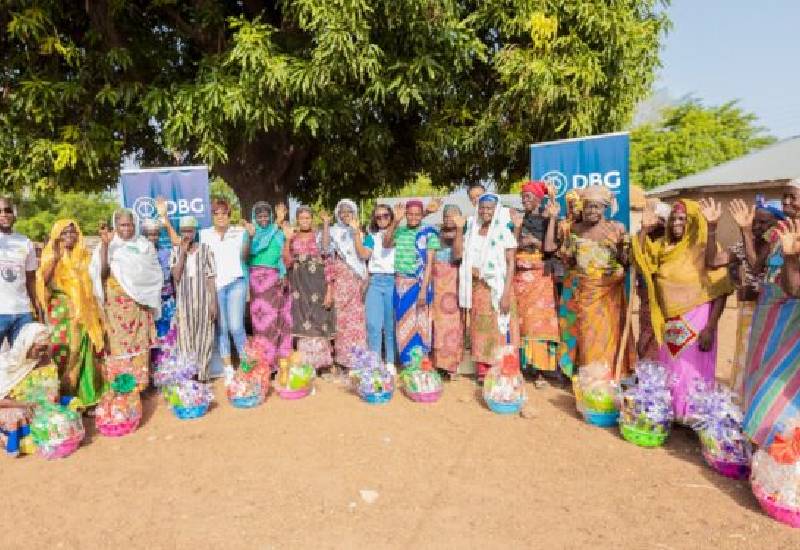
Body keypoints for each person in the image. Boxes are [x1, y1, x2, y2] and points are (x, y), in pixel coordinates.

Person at [633, 199, 733, 422]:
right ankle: (675, 414)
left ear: (693, 223)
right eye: (673, 219)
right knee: (673, 369)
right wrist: (644, 230)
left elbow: (720, 290)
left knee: (692, 372)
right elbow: (642, 260)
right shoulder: (665, 248)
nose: (676, 223)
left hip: (698, 321)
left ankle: (694, 417)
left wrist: (710, 327)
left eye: (682, 219)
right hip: (670, 321)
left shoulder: (705, 248)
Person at [702, 197, 784, 399]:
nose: (757, 226)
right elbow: (712, 261)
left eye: (764, 223)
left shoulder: (776, 247)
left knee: (760, 363)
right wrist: (712, 227)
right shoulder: (745, 244)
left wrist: (745, 231)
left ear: (778, 224)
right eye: (755, 221)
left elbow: (756, 267)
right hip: (746, 313)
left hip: (768, 315)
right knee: (743, 361)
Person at [562, 186, 634, 377]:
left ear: (605, 208)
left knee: (610, 334)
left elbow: (626, 261)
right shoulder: (575, 230)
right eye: (588, 207)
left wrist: (621, 249)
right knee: (589, 336)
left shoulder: (617, 229)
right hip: (587, 293)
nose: (592, 211)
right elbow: (569, 261)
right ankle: (591, 377)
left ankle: (611, 376)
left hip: (611, 293)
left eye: (597, 207)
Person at [90, 208, 163, 391]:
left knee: (140, 344)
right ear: (116, 225)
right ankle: (123, 387)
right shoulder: (106, 245)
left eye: (129, 225)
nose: (126, 229)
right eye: (122, 225)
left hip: (139, 306)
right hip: (116, 308)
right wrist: (106, 246)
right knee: (119, 347)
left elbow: (153, 274)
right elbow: (102, 274)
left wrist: (142, 293)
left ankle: (139, 387)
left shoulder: (144, 245)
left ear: (135, 225)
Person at [743, 217, 800, 447]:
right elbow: (793, 288)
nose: (789, 203)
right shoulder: (779, 234)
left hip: (791, 320)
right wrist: (789, 255)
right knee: (766, 380)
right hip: (771, 314)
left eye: (793, 197)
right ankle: (768, 443)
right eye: (786, 197)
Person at [36, 220, 105, 405]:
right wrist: (56, 258)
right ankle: (65, 398)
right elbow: (42, 284)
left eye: (72, 232)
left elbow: (94, 286)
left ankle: (88, 399)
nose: (69, 236)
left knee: (86, 356)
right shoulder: (50, 255)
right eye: (64, 232)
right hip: (61, 315)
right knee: (63, 355)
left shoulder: (84, 256)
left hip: (84, 315)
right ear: (57, 235)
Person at [459, 193, 519, 381]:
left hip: (497, 287)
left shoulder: (503, 232)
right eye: (482, 207)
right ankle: (484, 370)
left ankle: (501, 368)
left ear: (497, 210)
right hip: (477, 288)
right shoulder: (472, 231)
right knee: (480, 329)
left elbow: (510, 264)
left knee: (498, 328)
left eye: (489, 208)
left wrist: (506, 294)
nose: (485, 211)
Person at [512, 181, 561, 387]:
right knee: (521, 324)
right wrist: (517, 229)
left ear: (539, 199)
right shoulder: (518, 218)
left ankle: (541, 370)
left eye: (529, 197)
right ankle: (524, 366)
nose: (525, 200)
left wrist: (550, 222)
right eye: (523, 197)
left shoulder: (546, 219)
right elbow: (511, 247)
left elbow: (549, 247)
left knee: (539, 324)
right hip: (520, 278)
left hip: (540, 279)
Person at [383, 200, 441, 367]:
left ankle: (421, 363)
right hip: (400, 285)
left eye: (417, 214)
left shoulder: (429, 233)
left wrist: (423, 291)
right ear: (406, 214)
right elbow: (386, 243)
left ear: (422, 215)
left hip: (419, 284)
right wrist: (396, 221)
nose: (414, 217)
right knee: (403, 325)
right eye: (410, 214)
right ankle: (408, 363)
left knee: (420, 324)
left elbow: (429, 264)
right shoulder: (400, 231)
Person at [200, 198, 248, 376]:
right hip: (215, 287)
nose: (220, 216)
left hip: (236, 283)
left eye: (224, 213)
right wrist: (166, 221)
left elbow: (246, 255)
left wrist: (249, 236)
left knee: (236, 327)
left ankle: (246, 366)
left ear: (229, 215)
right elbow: (182, 242)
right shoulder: (204, 234)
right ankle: (228, 368)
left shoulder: (239, 231)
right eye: (216, 213)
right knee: (222, 328)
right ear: (212, 216)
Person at [283, 206, 335, 370]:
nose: (305, 221)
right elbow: (287, 261)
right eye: (301, 218)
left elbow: (328, 261)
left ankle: (322, 364)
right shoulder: (293, 237)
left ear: (312, 219)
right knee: (302, 321)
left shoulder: (320, 235)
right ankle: (305, 363)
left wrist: (329, 290)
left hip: (318, 285)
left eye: (307, 218)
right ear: (297, 220)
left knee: (319, 320)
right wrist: (287, 240)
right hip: (299, 287)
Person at [169, 216, 218, 380]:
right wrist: (182, 252)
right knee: (185, 341)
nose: (187, 234)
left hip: (204, 303)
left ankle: (203, 377)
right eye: (184, 231)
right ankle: (188, 377)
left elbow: (211, 278)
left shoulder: (205, 250)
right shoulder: (175, 251)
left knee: (204, 340)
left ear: (195, 231)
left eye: (190, 231)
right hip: (184, 305)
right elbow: (176, 275)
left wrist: (214, 303)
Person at [322, 199, 368, 367]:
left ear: (354, 213)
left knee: (356, 319)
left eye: (349, 211)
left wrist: (356, 232)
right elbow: (325, 249)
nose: (345, 214)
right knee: (340, 318)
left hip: (355, 279)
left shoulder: (360, 232)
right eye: (342, 212)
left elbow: (363, 257)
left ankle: (357, 358)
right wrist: (326, 225)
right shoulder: (333, 231)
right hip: (340, 278)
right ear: (338, 214)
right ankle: (342, 359)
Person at [244, 202, 291, 366]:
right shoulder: (251, 233)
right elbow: (251, 252)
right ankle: (264, 362)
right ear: (254, 218)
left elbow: (280, 257)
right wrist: (277, 223)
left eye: (266, 216)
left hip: (275, 281)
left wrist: (283, 273)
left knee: (277, 321)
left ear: (270, 217)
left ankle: (278, 362)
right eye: (259, 216)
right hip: (258, 282)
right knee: (261, 323)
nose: (263, 219)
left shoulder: (278, 233)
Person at [0, 323, 53, 456]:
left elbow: (46, 385)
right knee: (18, 414)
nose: (43, 352)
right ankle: (10, 442)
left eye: (45, 348)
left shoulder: (36, 362)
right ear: (28, 345)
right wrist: (27, 404)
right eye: (39, 348)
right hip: (8, 405)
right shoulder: (6, 366)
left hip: (26, 401)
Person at [431, 204, 465, 375]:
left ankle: (451, 364)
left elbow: (458, 256)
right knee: (437, 325)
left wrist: (459, 230)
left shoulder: (465, 235)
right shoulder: (435, 235)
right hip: (437, 287)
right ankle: (438, 363)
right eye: (446, 216)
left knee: (453, 326)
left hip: (455, 287)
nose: (449, 219)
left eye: (454, 216)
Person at [362, 204, 397, 370]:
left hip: (392, 281)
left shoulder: (399, 233)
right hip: (375, 281)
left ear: (391, 217)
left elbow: (388, 243)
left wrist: (398, 220)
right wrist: (356, 234)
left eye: (385, 216)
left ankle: (390, 360)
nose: (382, 219)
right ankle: (374, 360)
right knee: (373, 324)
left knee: (390, 325)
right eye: (378, 217)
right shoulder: (371, 236)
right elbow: (364, 255)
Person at [636, 200, 671, 361]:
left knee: (664, 333)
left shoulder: (670, 241)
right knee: (647, 332)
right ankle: (647, 368)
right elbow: (637, 258)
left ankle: (663, 368)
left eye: (661, 221)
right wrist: (644, 231)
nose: (656, 224)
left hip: (667, 297)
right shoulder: (642, 237)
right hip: (647, 296)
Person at [0, 197, 38, 347]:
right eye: (0, 211)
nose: (4, 214)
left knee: (22, 364)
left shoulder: (25, 242)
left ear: (14, 214)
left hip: (22, 313)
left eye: (7, 210)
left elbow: (30, 280)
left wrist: (37, 309)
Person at [142, 217, 177, 370]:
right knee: (153, 334)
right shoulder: (140, 254)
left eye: (155, 234)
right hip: (149, 302)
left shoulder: (165, 252)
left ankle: (169, 368)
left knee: (169, 332)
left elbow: (172, 277)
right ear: (144, 235)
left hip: (167, 300)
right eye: (149, 234)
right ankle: (156, 369)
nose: (152, 238)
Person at [556, 190, 583, 375]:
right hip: (570, 280)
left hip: (593, 283)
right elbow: (561, 252)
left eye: (578, 204)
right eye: (571, 205)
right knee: (569, 324)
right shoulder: (565, 226)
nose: (575, 209)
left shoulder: (600, 228)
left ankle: (587, 366)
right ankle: (568, 367)